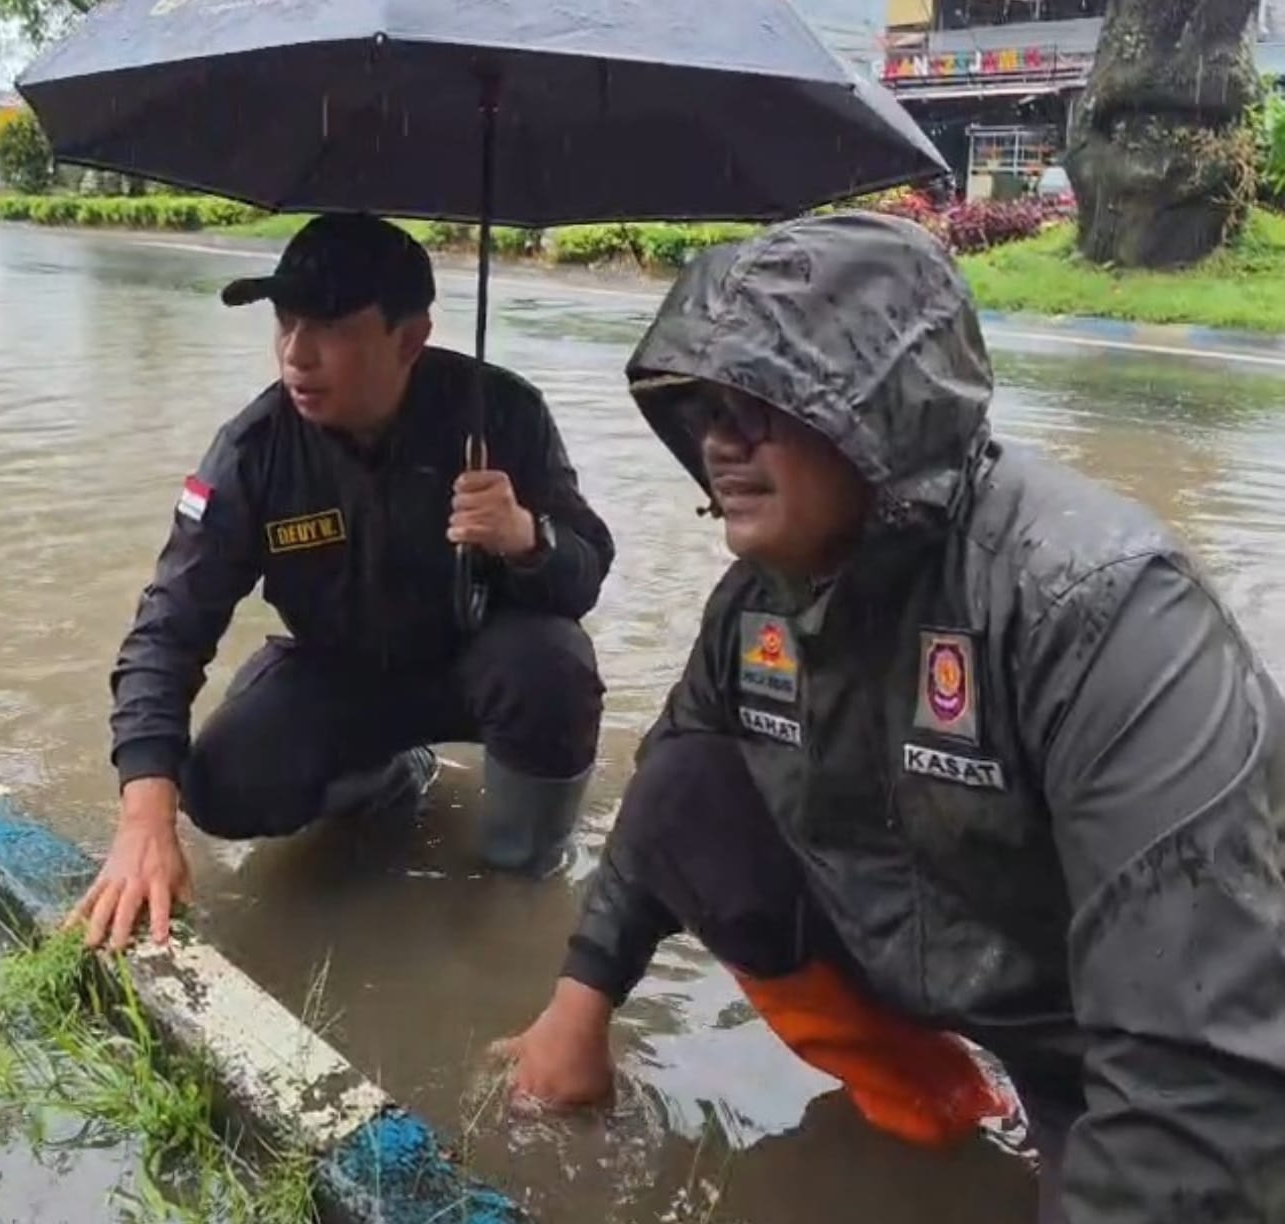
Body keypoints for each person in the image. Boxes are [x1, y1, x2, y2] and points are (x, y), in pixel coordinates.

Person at [496, 212, 1285, 1223]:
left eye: (759, 403)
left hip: (1102, 1040)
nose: (718, 443)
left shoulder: (1101, 613)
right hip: (926, 971)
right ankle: (927, 1092)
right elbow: (670, 798)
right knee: (687, 778)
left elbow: (1198, 1073)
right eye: (703, 408)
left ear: (880, 413)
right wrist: (579, 1005)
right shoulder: (756, 604)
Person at [70, 213, 615, 952]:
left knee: (551, 665)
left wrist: (525, 538)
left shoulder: (504, 413)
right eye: (286, 323)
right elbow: (167, 629)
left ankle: (520, 872)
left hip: (478, 664)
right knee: (219, 783)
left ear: (410, 338)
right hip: (340, 672)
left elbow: (586, 570)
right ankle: (394, 779)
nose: (297, 355)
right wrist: (143, 821)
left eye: (328, 328)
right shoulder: (252, 451)